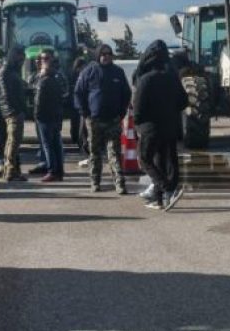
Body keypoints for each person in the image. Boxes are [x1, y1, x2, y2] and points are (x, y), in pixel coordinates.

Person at [132, 40, 189, 209]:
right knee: (165, 160)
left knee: (145, 159)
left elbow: (138, 107)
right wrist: (170, 111)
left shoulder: (145, 80)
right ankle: (160, 199)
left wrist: (138, 124)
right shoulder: (172, 78)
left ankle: (166, 188)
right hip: (170, 125)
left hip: (150, 127)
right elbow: (184, 101)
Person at [73, 43, 132, 193]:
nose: (106, 57)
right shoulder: (89, 71)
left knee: (114, 153)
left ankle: (119, 183)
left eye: (109, 54)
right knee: (95, 153)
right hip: (94, 120)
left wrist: (121, 112)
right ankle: (95, 181)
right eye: (103, 54)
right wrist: (85, 113)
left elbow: (126, 93)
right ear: (98, 55)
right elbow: (78, 93)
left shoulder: (118, 72)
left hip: (113, 120)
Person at [33, 52, 68, 182]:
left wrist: (37, 116)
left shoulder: (43, 82)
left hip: (45, 118)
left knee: (48, 145)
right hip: (56, 116)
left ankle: (52, 171)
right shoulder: (56, 80)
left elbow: (39, 102)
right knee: (56, 144)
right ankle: (59, 171)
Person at [0, 44, 28, 181]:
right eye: (20, 55)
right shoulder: (6, 71)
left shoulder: (12, 70)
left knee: (13, 141)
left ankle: (11, 169)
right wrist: (16, 109)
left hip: (14, 110)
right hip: (12, 112)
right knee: (13, 142)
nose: (22, 58)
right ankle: (9, 170)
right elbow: (6, 94)